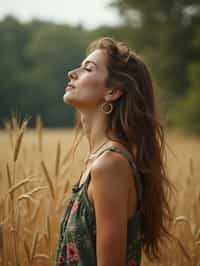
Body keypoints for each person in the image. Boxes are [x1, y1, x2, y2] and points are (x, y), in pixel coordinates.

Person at [55, 37, 174, 266]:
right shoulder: (98, 160)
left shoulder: (110, 164)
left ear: (113, 91)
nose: (72, 72)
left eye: (88, 68)